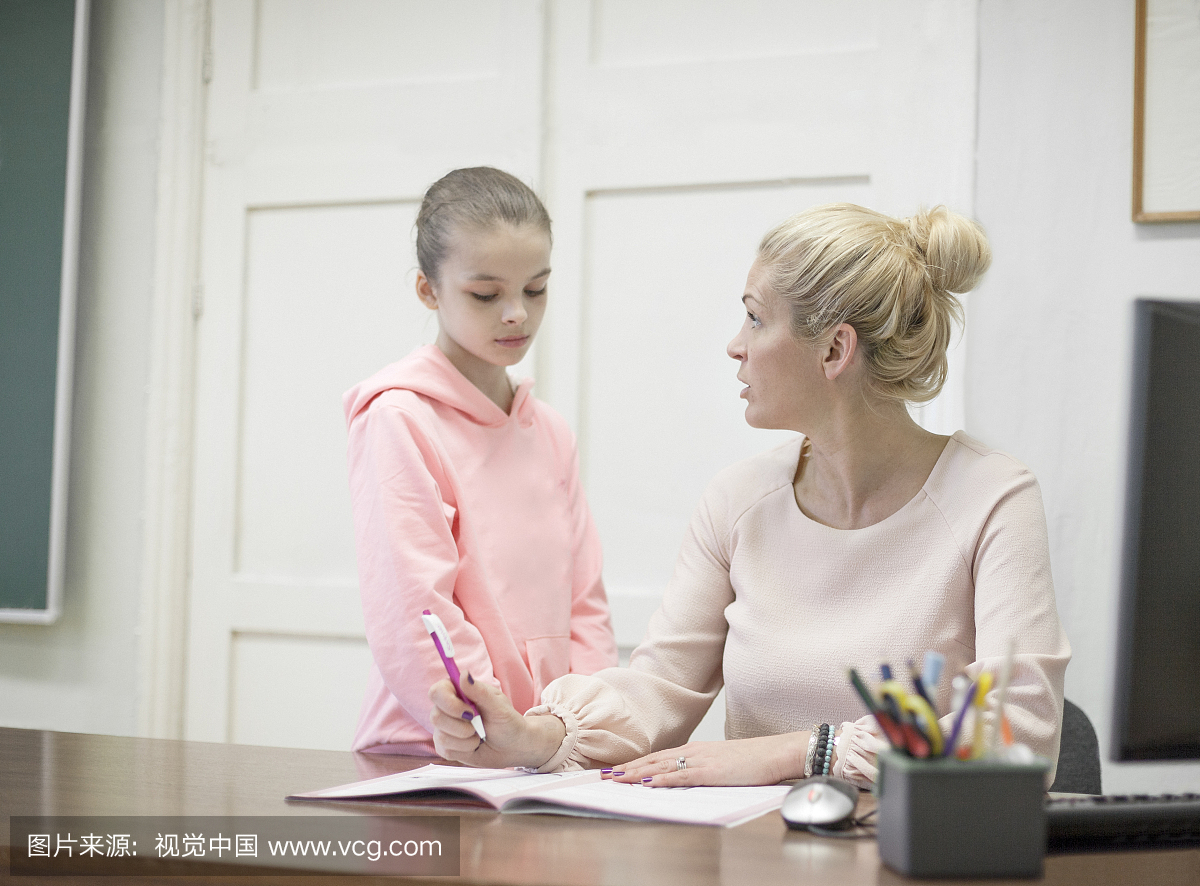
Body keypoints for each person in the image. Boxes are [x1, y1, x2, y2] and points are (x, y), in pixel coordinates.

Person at [426, 202, 1071, 787]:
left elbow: (1018, 735)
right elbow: (659, 686)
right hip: (758, 854)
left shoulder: (992, 498)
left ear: (835, 349)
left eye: (756, 319)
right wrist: (532, 734)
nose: (735, 345)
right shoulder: (738, 501)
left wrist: (806, 752)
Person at [345, 167, 618, 755]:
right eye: (486, 294)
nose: (517, 313)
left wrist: (584, 729)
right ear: (428, 289)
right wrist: (488, 728)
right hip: (436, 749)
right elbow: (416, 609)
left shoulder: (548, 430)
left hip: (549, 752)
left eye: (536, 289)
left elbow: (585, 603)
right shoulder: (401, 419)